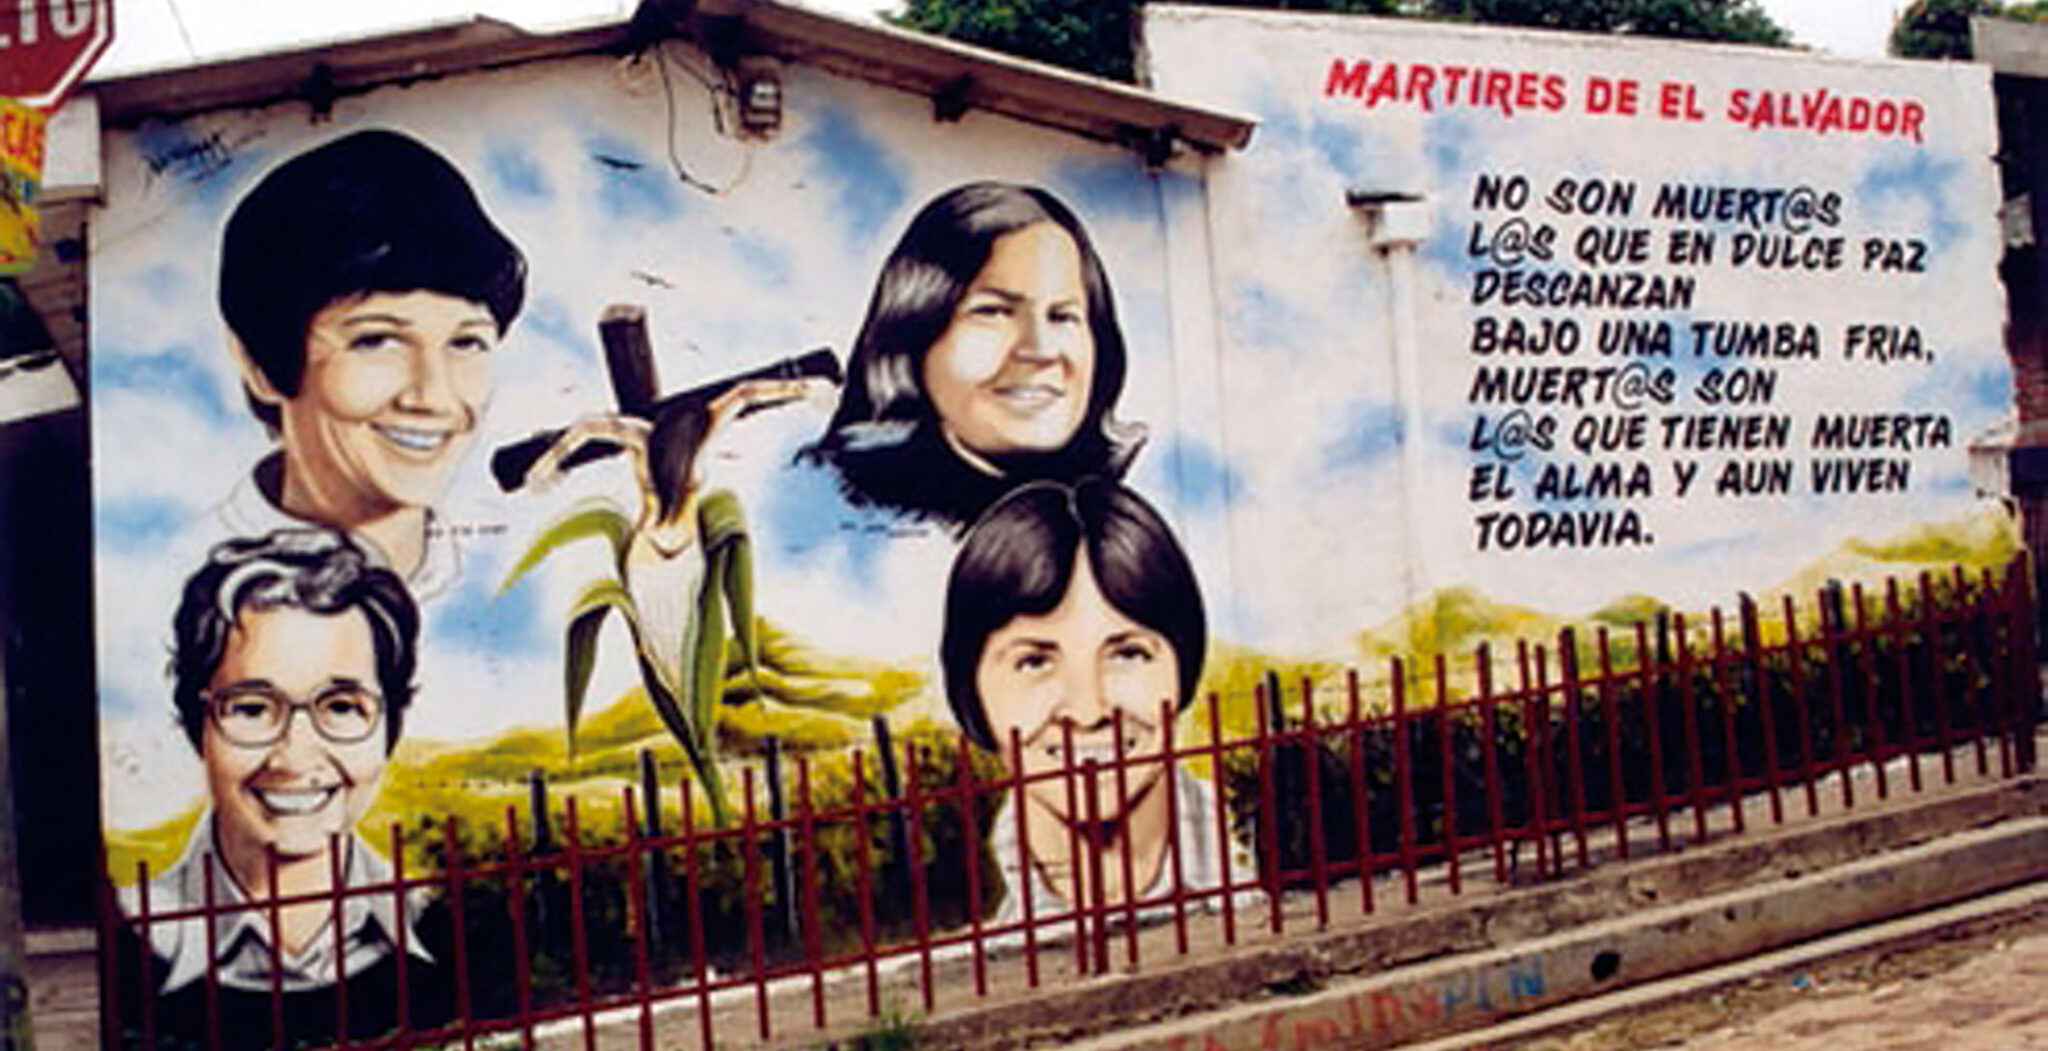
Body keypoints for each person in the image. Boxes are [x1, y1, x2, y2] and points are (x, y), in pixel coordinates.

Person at [115, 529, 449, 1048]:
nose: (293, 757)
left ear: (390, 725)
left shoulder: (444, 923)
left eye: (342, 706)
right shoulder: (133, 934)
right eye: (251, 708)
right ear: (198, 728)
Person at [215, 129, 527, 598]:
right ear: (259, 363)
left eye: (466, 342)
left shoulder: (521, 573)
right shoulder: (169, 585)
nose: (433, 396)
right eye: (378, 341)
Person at [940, 479, 1243, 926]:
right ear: (972, 691)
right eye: (1034, 661)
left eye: (1127, 654)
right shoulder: (956, 915)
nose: (1088, 711)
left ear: (1184, 666)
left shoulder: (1257, 855)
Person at [805, 182, 1144, 528]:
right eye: (993, 312)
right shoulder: (835, 510)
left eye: (1061, 316)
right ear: (914, 334)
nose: (1041, 351)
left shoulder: (1109, 520)